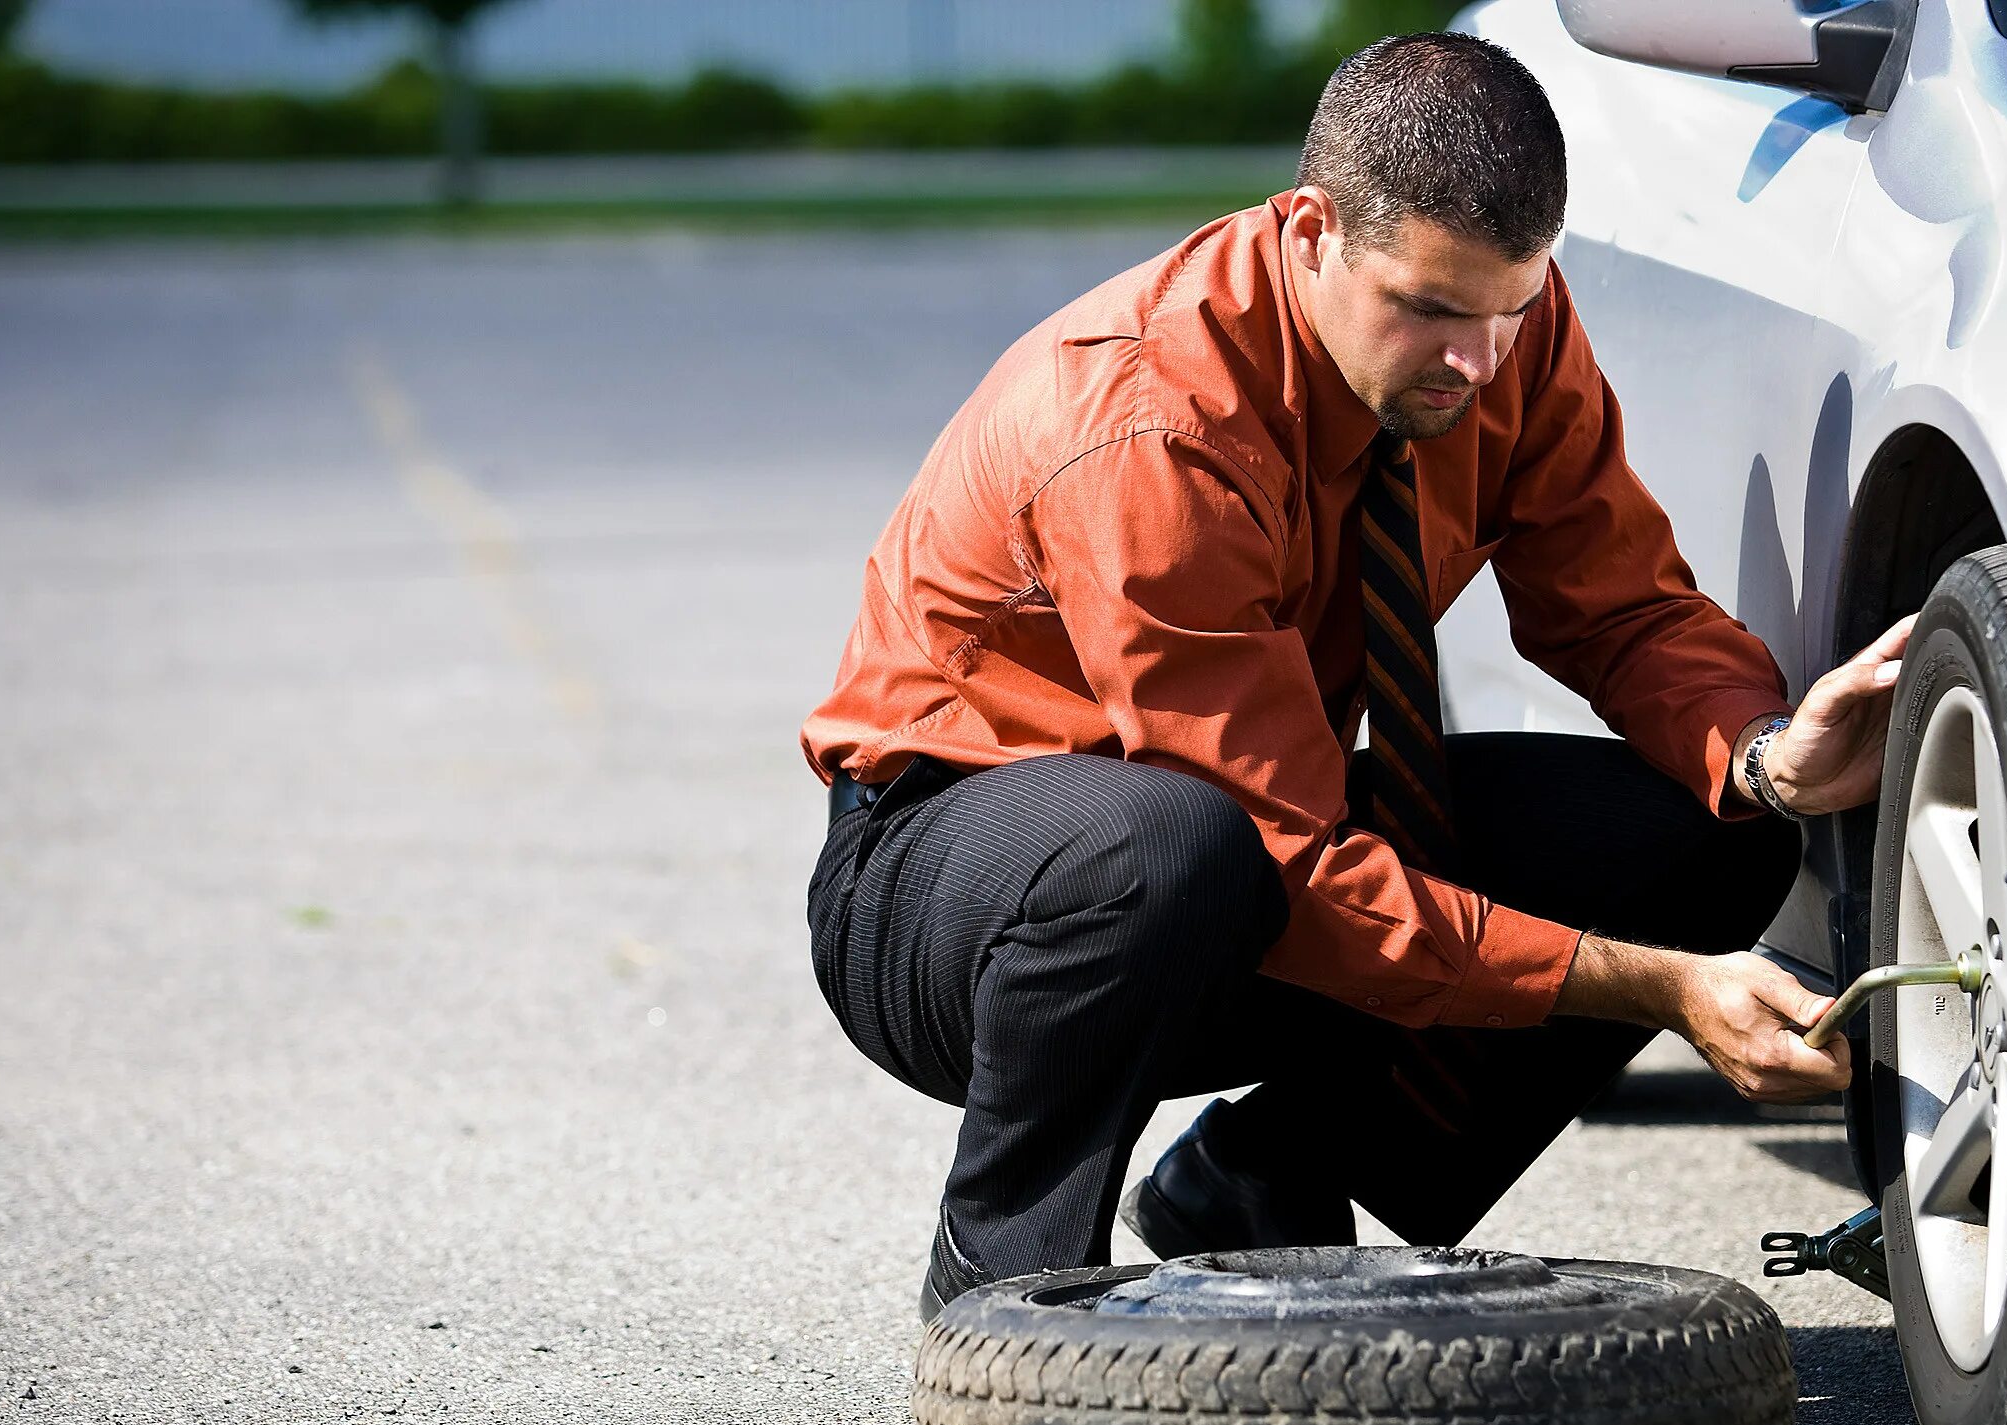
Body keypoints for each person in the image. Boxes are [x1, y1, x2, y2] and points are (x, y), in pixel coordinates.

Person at [800, 32, 1914, 1322]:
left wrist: (1771, 753)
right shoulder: (1156, 424)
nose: (1477, 363)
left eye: (1511, 307)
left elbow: (1622, 607)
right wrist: (1652, 984)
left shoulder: (1503, 333)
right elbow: (1283, 862)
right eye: (1432, 310)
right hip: (963, 889)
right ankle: (1003, 1288)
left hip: (1250, 830)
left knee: (1703, 834)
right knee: (1167, 850)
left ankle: (1266, 1180)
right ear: (1315, 230)